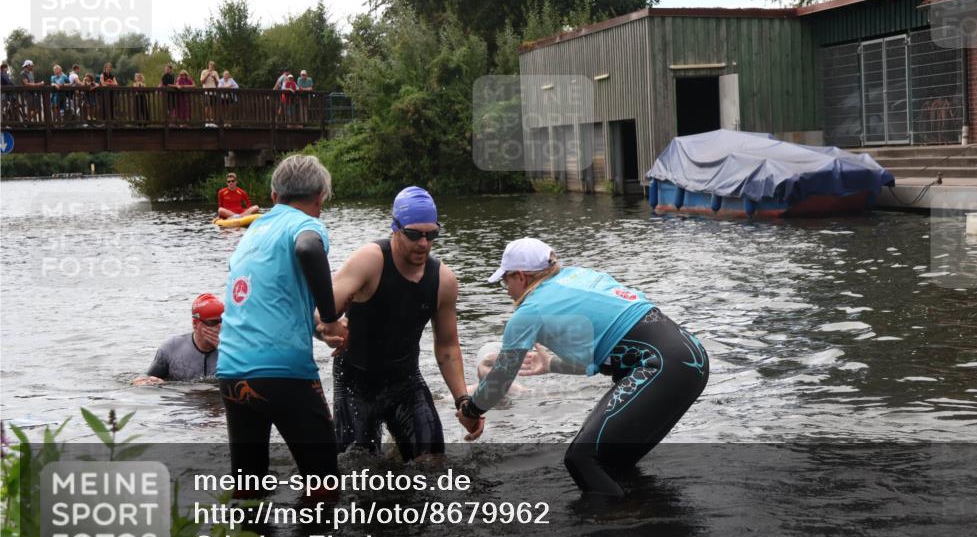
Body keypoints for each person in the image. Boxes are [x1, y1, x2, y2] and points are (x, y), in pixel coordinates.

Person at [458, 238, 710, 497]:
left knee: (582, 459)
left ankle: (618, 524)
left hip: (661, 366)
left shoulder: (528, 312)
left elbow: (499, 381)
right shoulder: (579, 277)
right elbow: (611, 352)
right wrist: (552, 364)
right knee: (612, 463)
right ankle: (648, 518)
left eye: (505, 281)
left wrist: (471, 410)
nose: (506, 289)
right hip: (692, 357)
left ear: (520, 276)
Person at [322, 186, 482, 462]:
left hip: (405, 382)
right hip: (355, 382)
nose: (423, 243)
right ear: (395, 228)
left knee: (432, 462)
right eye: (414, 234)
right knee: (355, 466)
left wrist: (463, 402)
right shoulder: (370, 260)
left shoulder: (443, 280)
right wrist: (326, 330)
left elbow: (447, 346)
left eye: (431, 234)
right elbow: (321, 310)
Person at [215, 154, 344, 489]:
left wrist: (319, 331)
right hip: (283, 374)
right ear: (320, 198)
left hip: (231, 371)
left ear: (274, 197)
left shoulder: (254, 230)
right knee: (324, 483)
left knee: (248, 485)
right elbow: (308, 249)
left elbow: (270, 308)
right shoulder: (307, 224)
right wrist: (331, 318)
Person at [132, 294, 224, 385]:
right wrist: (152, 383)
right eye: (213, 322)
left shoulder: (233, 350)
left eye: (223, 321)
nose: (220, 327)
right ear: (195, 324)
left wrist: (224, 351)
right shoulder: (171, 348)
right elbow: (146, 378)